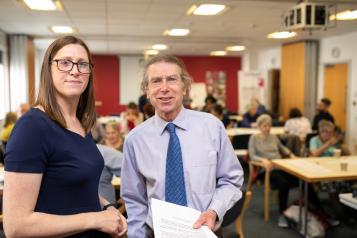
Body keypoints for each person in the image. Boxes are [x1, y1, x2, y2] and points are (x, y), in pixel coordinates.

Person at [3, 35, 127, 237]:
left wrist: (108, 209)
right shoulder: (32, 127)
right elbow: (16, 226)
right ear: (48, 69)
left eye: (82, 64)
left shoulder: (80, 123)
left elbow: (77, 188)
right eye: (65, 63)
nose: (75, 71)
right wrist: (95, 219)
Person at [121, 54, 243, 237]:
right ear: (147, 90)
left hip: (204, 231)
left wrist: (214, 211)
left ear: (184, 87)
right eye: (156, 81)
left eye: (171, 79)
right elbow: (134, 200)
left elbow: (231, 180)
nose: (164, 88)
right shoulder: (135, 140)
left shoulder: (212, 127)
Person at [248, 114, 297, 227]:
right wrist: (263, 160)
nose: (268, 128)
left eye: (269, 125)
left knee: (301, 180)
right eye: (265, 126)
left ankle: (316, 213)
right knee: (284, 184)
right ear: (259, 126)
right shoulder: (254, 138)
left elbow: (282, 148)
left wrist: (291, 154)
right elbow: (252, 155)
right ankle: (282, 214)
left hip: (280, 166)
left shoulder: (274, 137)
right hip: (266, 169)